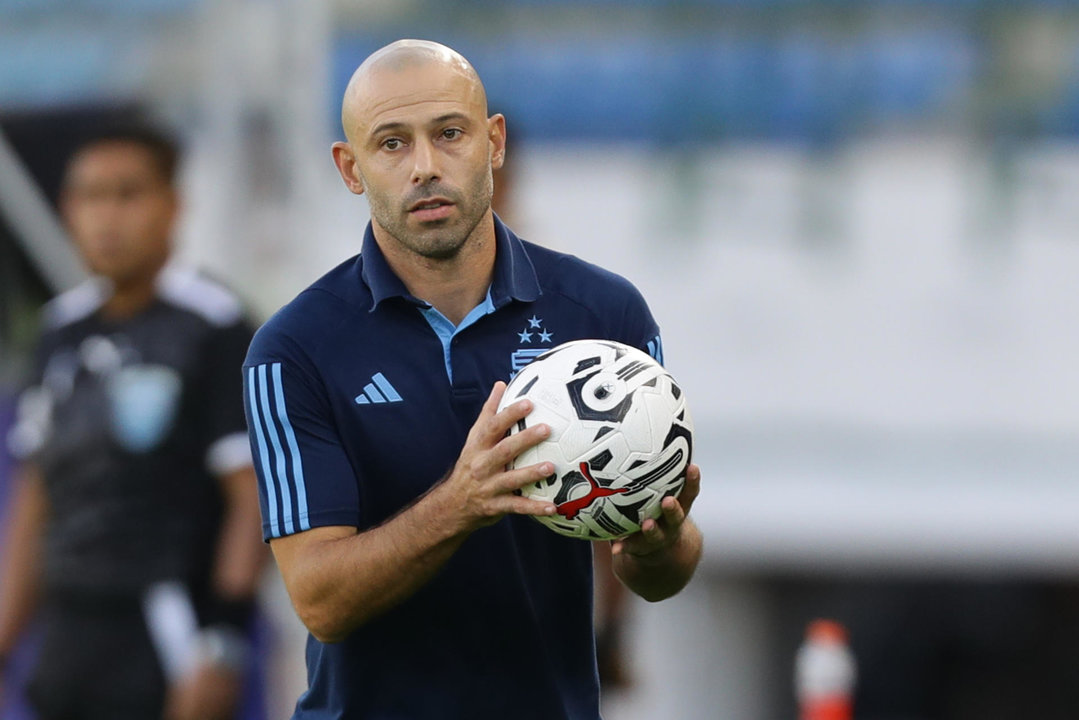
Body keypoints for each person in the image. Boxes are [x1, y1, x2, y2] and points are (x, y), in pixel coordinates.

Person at [243, 39, 703, 719]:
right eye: (391, 144)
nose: (424, 167)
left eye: (449, 134)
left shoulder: (603, 315)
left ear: (493, 142)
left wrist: (661, 544)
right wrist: (461, 503)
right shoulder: (294, 349)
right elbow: (320, 601)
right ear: (349, 166)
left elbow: (653, 573)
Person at [0, 124, 266, 720]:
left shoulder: (215, 327)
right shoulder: (58, 331)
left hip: (167, 627)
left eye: (127, 194)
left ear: (173, 205)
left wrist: (221, 641)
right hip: (67, 632)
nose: (106, 217)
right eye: (90, 197)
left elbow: (250, 496)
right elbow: (36, 492)